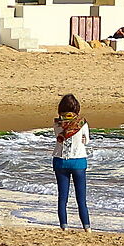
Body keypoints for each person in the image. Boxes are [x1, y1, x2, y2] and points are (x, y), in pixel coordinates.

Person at [52, 93, 91, 229]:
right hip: (78, 161)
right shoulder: (82, 123)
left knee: (62, 198)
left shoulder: (57, 123)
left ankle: (64, 226)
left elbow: (58, 137)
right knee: (81, 199)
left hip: (60, 160)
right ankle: (87, 227)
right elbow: (86, 141)